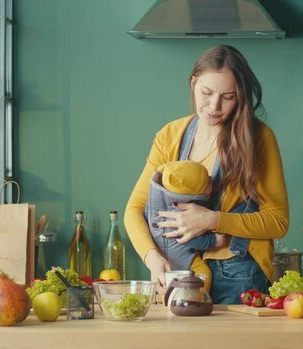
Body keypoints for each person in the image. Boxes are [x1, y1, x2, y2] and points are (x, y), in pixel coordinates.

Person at [124, 44, 289, 304]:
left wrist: (212, 220)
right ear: (193, 83)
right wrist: (153, 259)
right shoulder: (169, 135)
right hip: (179, 272)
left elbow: (278, 221)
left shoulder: (259, 139)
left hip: (238, 275)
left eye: (228, 97)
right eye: (206, 92)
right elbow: (134, 209)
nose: (214, 106)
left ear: (241, 97)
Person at [146, 160, 254, 292]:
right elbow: (192, 239)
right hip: (181, 260)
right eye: (206, 183)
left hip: (166, 258)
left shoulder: (159, 197)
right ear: (188, 196)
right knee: (203, 275)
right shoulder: (175, 216)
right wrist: (214, 240)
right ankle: (198, 298)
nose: (211, 179)